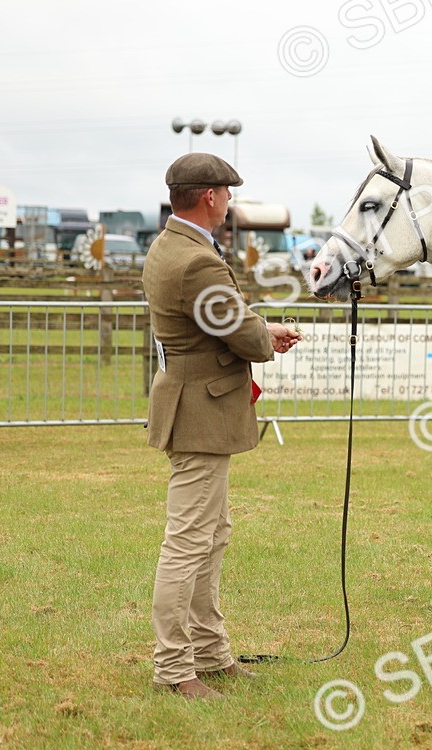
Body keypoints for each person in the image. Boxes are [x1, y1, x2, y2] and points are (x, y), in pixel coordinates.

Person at [143, 153, 302, 700]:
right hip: (201, 412)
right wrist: (264, 336)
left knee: (211, 537)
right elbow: (237, 331)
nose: (230, 203)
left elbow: (221, 320)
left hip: (193, 404)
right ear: (210, 196)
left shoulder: (171, 246)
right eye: (228, 195)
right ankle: (174, 668)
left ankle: (210, 654)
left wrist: (257, 328)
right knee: (189, 543)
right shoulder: (197, 260)